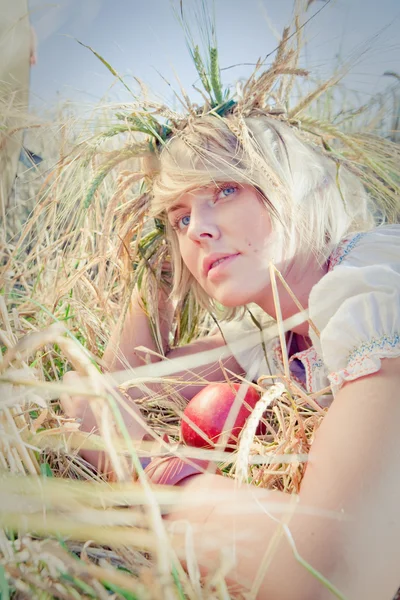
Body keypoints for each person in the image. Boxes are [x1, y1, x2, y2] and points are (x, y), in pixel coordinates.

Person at [61, 13, 400, 599]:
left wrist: (150, 473)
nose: (200, 229)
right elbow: (121, 387)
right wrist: (153, 270)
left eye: (225, 189)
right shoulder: (275, 337)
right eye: (180, 218)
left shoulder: (376, 281)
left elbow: (333, 573)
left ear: (289, 179)